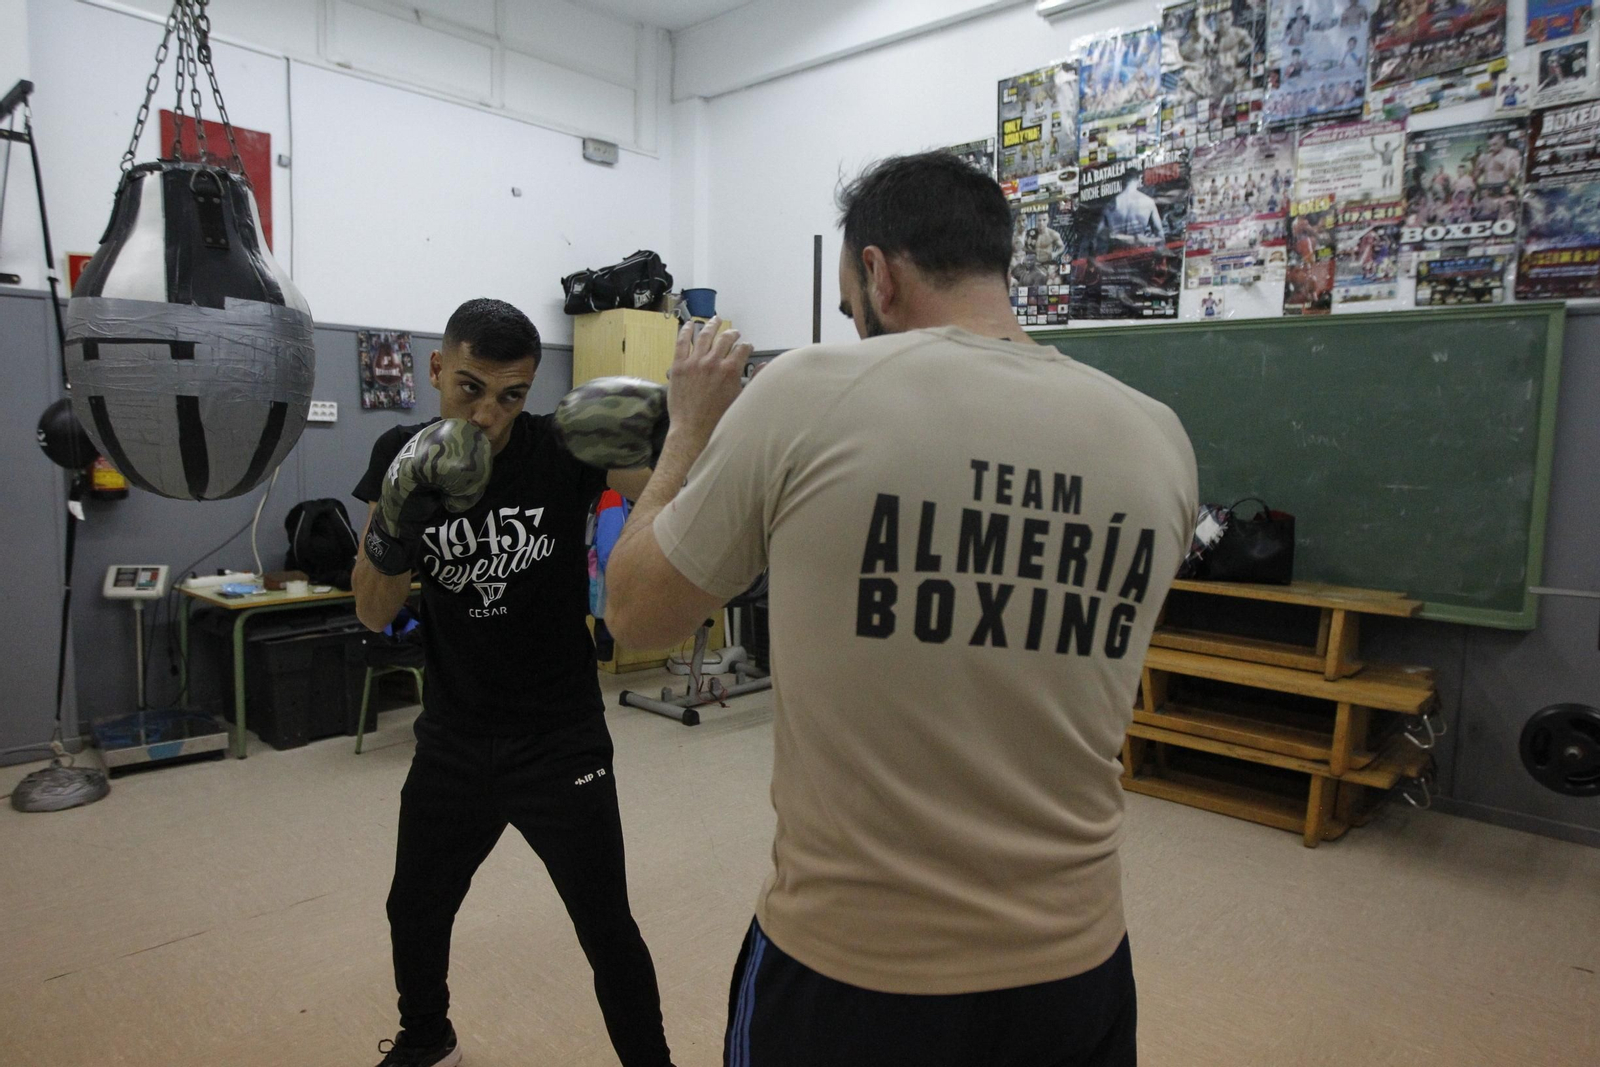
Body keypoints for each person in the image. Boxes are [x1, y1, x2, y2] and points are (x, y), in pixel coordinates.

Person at [604, 151, 1197, 1066]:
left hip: (854, 976)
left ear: (880, 272)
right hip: (1077, 971)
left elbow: (635, 615)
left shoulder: (806, 393)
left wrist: (688, 428)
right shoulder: (1158, 439)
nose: (854, 326)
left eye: (851, 308)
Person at [351, 298, 672, 1067]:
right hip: (454, 739)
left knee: (606, 925)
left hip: (559, 740)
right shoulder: (401, 450)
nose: (489, 415)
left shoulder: (563, 443)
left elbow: (669, 481)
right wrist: (395, 528)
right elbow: (371, 612)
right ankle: (429, 1038)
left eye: (511, 395)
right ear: (436, 369)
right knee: (415, 908)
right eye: (469, 388)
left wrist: (675, 418)